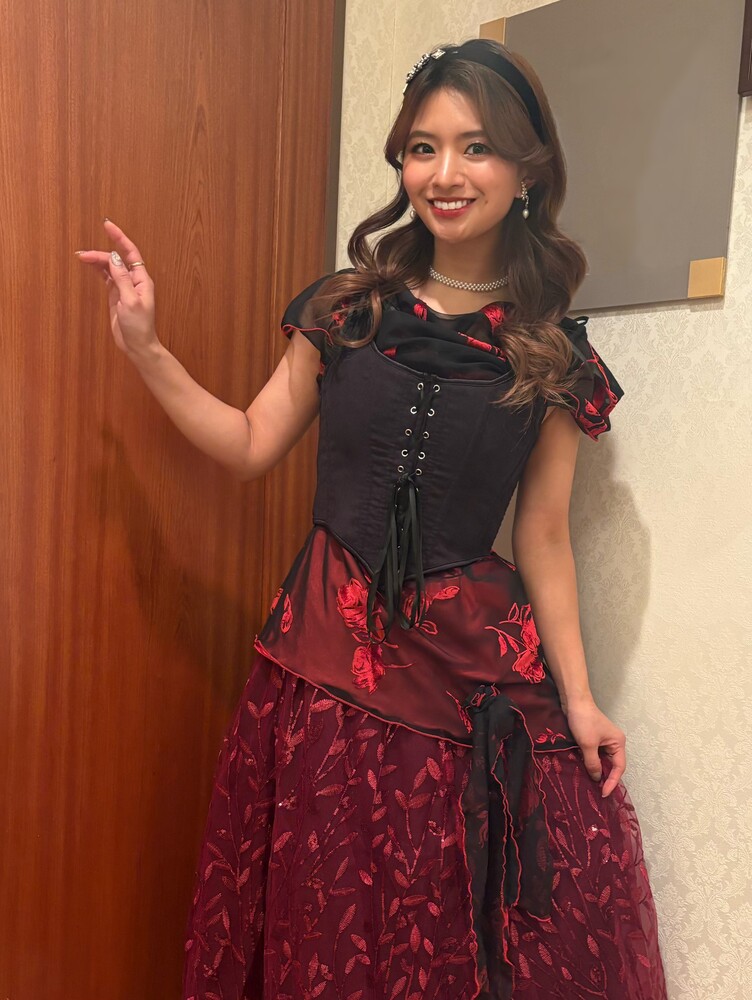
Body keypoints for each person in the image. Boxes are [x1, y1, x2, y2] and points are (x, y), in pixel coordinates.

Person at [76, 36, 667, 1000]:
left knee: (453, 940)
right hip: (323, 671)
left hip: (466, 690)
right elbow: (248, 443)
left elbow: (544, 537)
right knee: (331, 929)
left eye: (476, 147)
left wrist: (583, 698)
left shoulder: (552, 353)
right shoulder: (346, 309)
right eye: (423, 148)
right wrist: (145, 346)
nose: (444, 173)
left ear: (527, 171)